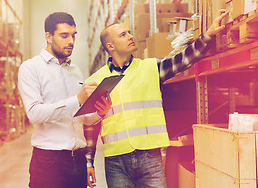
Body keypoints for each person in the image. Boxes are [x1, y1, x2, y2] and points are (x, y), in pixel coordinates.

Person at [85, 10, 229, 187]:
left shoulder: (151, 67)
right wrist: (89, 162)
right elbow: (89, 126)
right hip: (116, 161)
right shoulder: (95, 81)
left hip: (150, 157)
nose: (130, 36)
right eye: (123, 35)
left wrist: (208, 35)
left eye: (129, 32)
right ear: (110, 46)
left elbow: (184, 59)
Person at [18, 12, 111, 188]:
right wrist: (78, 98)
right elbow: (35, 114)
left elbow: (79, 117)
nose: (71, 41)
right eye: (64, 35)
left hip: (77, 160)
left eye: (74, 35)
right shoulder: (31, 68)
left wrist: (99, 112)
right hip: (49, 161)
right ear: (48, 37)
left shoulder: (74, 71)